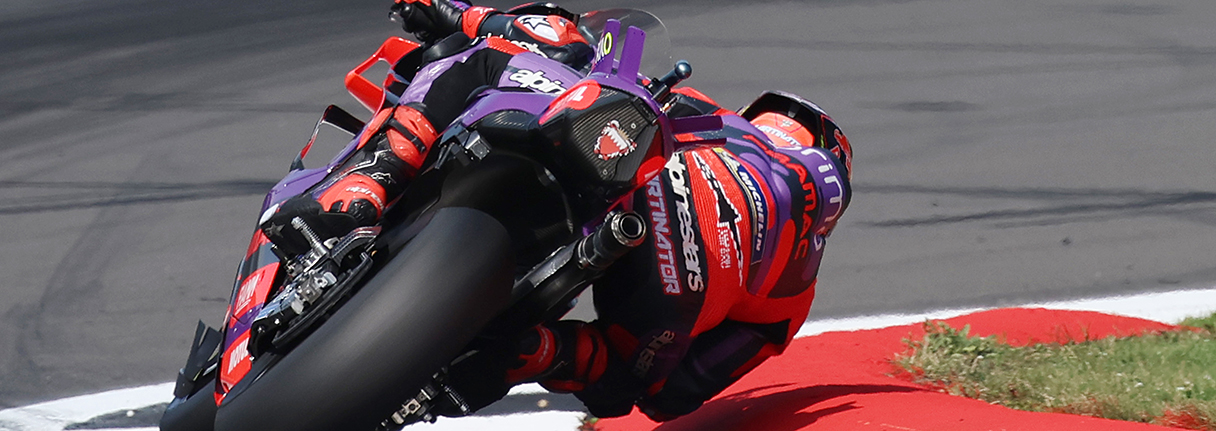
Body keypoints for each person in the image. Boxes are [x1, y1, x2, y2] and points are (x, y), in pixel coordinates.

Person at [259, 0, 854, 422]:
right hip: (665, 301)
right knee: (619, 373)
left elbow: (560, 41)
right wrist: (574, 358)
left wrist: (451, 12)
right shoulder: (794, 296)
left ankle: (363, 185)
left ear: (773, 118)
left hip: (656, 189)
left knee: (494, 57)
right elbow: (676, 395)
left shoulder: (716, 118)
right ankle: (521, 354)